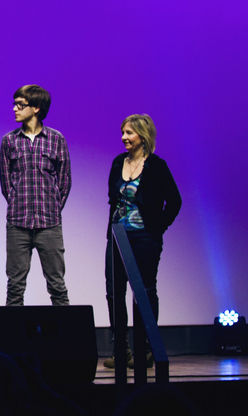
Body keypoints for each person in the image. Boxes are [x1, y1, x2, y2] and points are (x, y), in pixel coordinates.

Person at [103, 114, 181, 368]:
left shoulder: (156, 166)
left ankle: (145, 348)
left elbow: (175, 201)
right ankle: (121, 349)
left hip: (144, 237)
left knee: (145, 292)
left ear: (143, 136)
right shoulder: (118, 162)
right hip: (117, 236)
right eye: (123, 133)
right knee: (114, 292)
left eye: (129, 133)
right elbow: (113, 198)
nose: (124, 137)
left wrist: (157, 227)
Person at [0, 85, 71, 306]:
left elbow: (64, 181)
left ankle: (66, 330)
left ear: (37, 108)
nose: (15, 109)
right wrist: (17, 204)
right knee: (15, 287)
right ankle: (13, 331)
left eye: (20, 105)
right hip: (18, 224)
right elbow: (6, 183)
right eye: (14, 104)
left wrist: (52, 208)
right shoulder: (9, 141)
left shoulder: (56, 139)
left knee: (57, 286)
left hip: (49, 224)